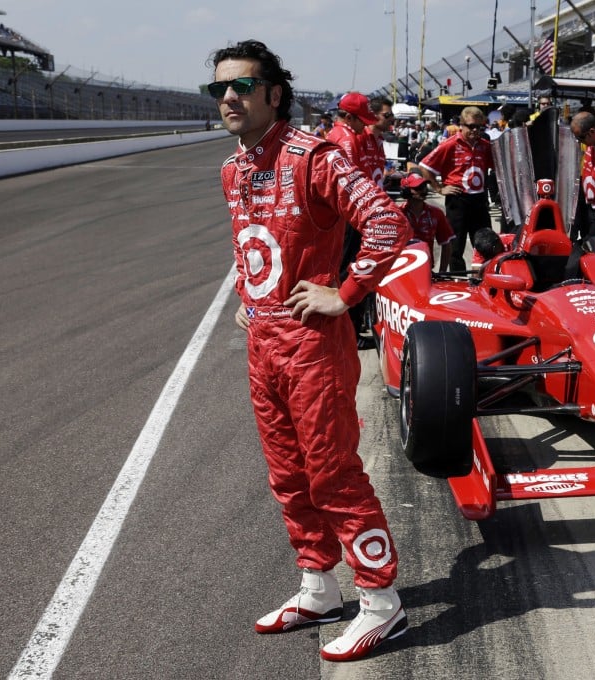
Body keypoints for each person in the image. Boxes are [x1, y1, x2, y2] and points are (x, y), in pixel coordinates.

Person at [208, 40, 410, 662]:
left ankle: (381, 602)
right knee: (289, 477)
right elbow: (253, 240)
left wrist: (345, 292)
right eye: (217, 89)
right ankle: (318, 587)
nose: (227, 99)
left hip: (314, 346)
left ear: (274, 93)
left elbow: (386, 221)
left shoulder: (312, 157)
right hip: (264, 343)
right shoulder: (232, 167)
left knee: (331, 473)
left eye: (241, 86)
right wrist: (250, 291)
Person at [328, 92, 380, 349]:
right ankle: (350, 333)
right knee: (352, 269)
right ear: (349, 117)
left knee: (346, 268)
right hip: (350, 216)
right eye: (362, 120)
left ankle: (349, 330)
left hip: (343, 215)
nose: (366, 125)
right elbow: (352, 184)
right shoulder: (347, 140)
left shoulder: (340, 135)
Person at [418, 106, 495, 271]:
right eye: (471, 126)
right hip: (458, 200)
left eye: (479, 127)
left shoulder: (485, 145)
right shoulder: (450, 144)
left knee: (485, 243)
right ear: (461, 125)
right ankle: (457, 281)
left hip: (479, 201)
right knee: (456, 246)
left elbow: (497, 166)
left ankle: (482, 279)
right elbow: (424, 166)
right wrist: (439, 189)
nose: (475, 130)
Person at [399, 172, 454, 272]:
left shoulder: (436, 213)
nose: (424, 191)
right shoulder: (397, 214)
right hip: (401, 269)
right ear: (406, 191)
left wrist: (442, 272)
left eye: (424, 187)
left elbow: (447, 244)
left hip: (426, 269)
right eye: (418, 188)